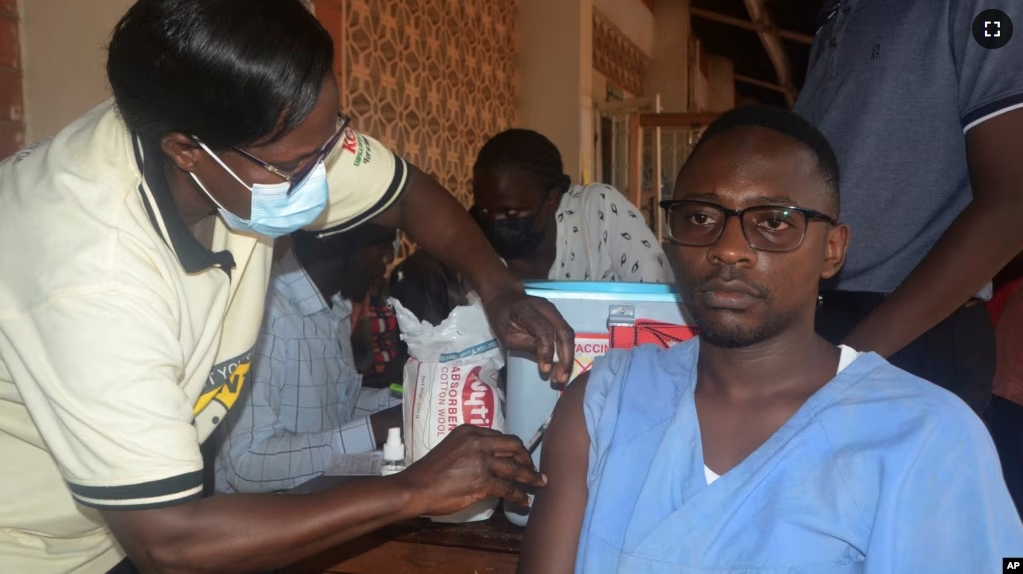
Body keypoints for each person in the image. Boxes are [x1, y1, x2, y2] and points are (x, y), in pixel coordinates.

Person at [0, 1, 574, 573]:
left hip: (127, 531)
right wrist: (416, 490)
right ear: (186, 150)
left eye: (331, 144)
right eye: (296, 166)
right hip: (38, 548)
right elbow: (170, 543)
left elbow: (403, 195)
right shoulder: (91, 275)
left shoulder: (247, 138)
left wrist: (500, 292)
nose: (324, 177)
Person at [519, 106, 1023, 574]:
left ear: (833, 249)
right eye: (700, 217)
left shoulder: (928, 437)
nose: (729, 249)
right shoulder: (605, 402)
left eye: (774, 222)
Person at [214, 225, 402, 494]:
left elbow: (338, 402)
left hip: (320, 504)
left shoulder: (332, 307)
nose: (389, 256)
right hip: (266, 525)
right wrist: (374, 429)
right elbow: (246, 463)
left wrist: (404, 402)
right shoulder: (266, 313)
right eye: (382, 241)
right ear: (338, 237)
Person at [471, 129, 674, 283]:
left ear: (552, 199)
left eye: (510, 212)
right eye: (486, 211)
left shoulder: (598, 212)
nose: (495, 222)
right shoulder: (471, 241)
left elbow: (659, 297)